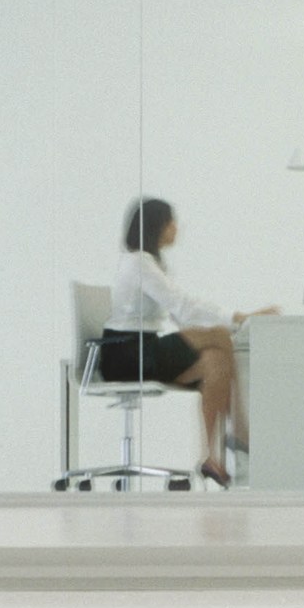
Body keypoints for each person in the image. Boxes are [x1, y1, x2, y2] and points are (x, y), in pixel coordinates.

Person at [103, 197, 278, 487]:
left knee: (215, 361)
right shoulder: (138, 263)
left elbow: (180, 315)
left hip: (143, 350)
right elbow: (183, 307)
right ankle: (240, 427)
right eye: (171, 221)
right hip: (126, 354)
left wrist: (215, 327)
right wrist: (238, 317)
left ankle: (210, 456)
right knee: (220, 337)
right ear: (157, 226)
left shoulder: (150, 264)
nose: (176, 227)